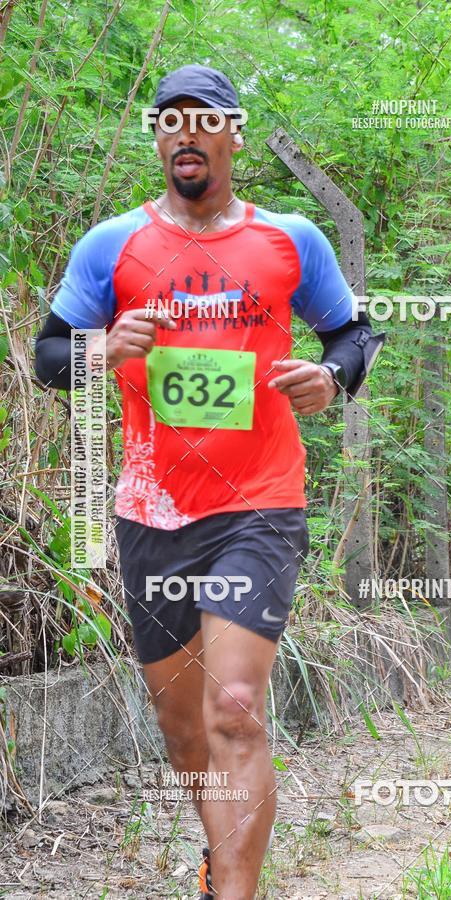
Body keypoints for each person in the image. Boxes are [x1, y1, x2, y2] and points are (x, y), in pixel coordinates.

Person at [34, 64, 383, 899]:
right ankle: (218, 854)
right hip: (152, 507)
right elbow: (50, 356)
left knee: (233, 708)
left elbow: (355, 335)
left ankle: (234, 891)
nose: (185, 134)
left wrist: (332, 377)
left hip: (258, 502)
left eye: (204, 120)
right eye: (169, 122)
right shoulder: (111, 245)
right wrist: (100, 350)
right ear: (157, 137)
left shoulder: (290, 238)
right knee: (184, 728)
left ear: (232, 133)